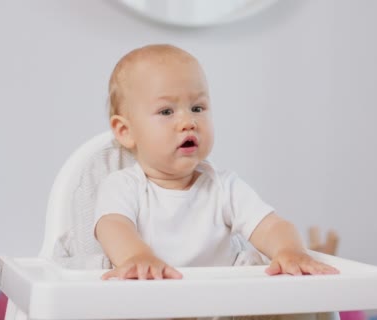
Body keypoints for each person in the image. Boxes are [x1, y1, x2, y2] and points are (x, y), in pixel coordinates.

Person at [94, 44, 339, 280]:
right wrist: (137, 257)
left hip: (221, 306)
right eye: (166, 112)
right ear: (125, 131)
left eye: (197, 108)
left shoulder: (224, 187)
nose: (188, 121)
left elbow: (270, 226)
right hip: (152, 302)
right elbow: (113, 227)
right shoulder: (123, 186)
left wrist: (289, 250)